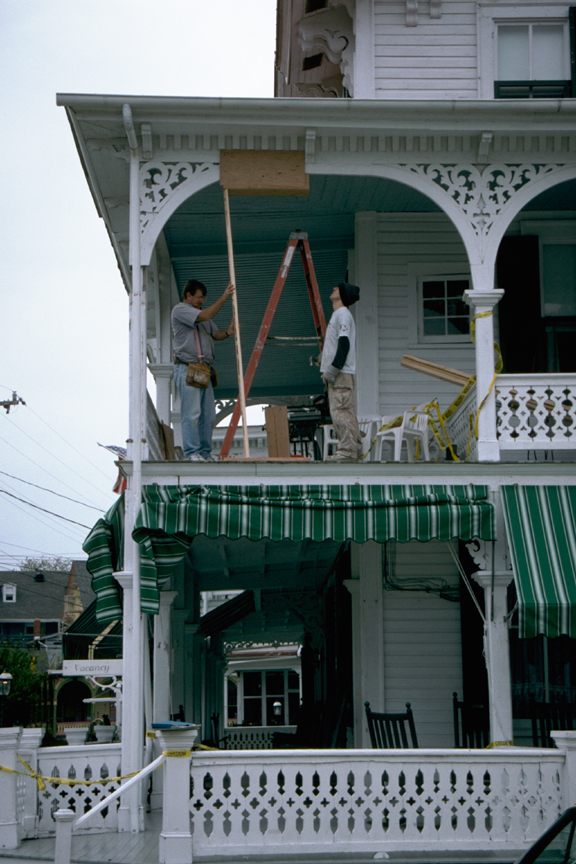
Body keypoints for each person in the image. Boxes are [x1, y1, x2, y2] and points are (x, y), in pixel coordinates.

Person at [172, 278, 235, 461]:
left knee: (207, 416)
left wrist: (228, 332)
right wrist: (224, 297)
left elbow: (215, 334)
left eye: (204, 298)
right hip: (187, 367)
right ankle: (192, 453)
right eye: (199, 297)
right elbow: (206, 316)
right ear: (188, 295)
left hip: (202, 369)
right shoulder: (180, 310)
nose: (202, 301)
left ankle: (204, 453)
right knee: (191, 414)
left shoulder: (200, 313)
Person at [320, 281, 362, 461]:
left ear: (343, 295)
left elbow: (343, 344)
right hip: (341, 373)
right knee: (346, 411)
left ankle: (347, 451)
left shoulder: (343, 314)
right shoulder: (338, 315)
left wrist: (333, 369)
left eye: (337, 288)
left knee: (341, 412)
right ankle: (355, 449)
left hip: (340, 374)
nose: (333, 288)